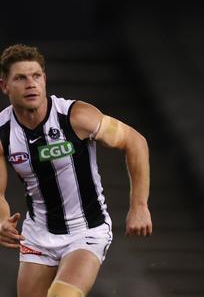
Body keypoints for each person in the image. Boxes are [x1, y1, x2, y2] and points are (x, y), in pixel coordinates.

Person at [0, 44, 152, 297]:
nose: (31, 84)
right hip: (38, 236)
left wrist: (139, 205)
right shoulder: (3, 132)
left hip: (86, 231)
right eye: (21, 78)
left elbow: (135, 141)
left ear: (45, 80)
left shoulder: (75, 116)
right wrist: (2, 221)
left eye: (36, 76)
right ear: (4, 86)